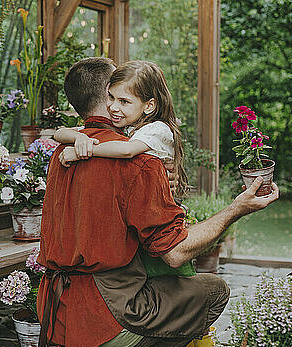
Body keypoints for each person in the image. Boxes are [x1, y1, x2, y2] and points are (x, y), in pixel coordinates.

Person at [28, 57, 279, 347]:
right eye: (117, 94)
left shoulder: (65, 152)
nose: (120, 102)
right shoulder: (139, 162)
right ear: (108, 94)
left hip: (54, 313)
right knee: (213, 292)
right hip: (104, 317)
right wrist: (237, 208)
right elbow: (175, 253)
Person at [53, 60, 197, 280]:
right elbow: (59, 133)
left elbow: (127, 150)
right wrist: (79, 137)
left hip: (161, 214)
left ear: (148, 105)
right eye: (111, 97)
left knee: (170, 269)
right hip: (137, 234)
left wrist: (85, 149)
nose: (113, 106)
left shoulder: (155, 129)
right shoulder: (127, 125)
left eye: (123, 100)